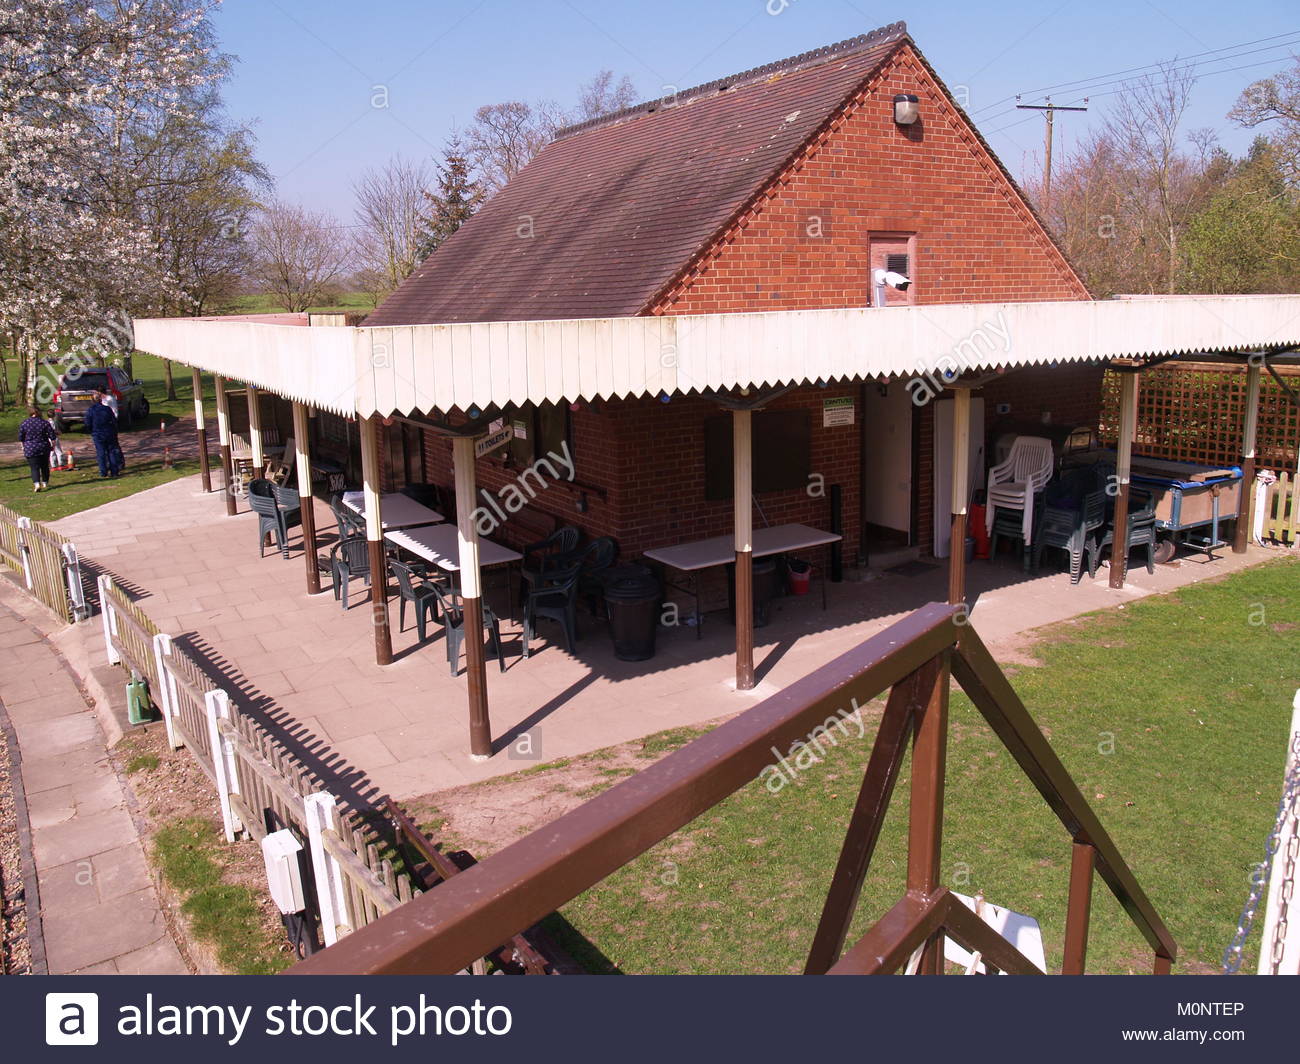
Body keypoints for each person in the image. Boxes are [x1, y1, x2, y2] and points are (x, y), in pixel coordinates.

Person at [18, 405, 58, 492]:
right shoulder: (45, 423)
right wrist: (53, 447)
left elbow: (21, 437)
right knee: (44, 466)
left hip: (30, 448)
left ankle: (36, 484)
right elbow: (53, 437)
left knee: (34, 467)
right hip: (43, 447)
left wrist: (23, 446)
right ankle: (45, 482)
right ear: (39, 413)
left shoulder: (24, 423)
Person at [84, 388, 122, 478]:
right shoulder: (107, 409)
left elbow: (87, 423)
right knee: (111, 452)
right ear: (101, 400)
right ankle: (114, 471)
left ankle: (103, 471)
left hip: (98, 434)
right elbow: (113, 420)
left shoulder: (91, 410)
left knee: (101, 453)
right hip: (109, 432)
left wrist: (91, 430)